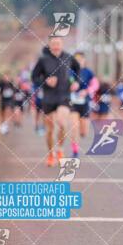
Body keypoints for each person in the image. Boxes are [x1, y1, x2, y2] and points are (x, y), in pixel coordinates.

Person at [31, 36, 80, 167]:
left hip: (64, 96)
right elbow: (34, 77)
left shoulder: (69, 57)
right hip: (48, 98)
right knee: (50, 130)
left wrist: (76, 82)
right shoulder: (43, 60)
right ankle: (50, 153)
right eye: (53, 43)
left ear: (62, 44)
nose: (56, 46)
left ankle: (60, 149)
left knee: (62, 123)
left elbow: (78, 70)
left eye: (58, 43)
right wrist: (45, 81)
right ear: (50, 45)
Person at [69, 52, 99, 158]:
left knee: (84, 131)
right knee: (74, 127)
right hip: (72, 103)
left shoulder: (88, 72)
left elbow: (96, 85)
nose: (79, 61)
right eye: (76, 59)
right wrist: (69, 87)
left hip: (85, 103)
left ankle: (82, 133)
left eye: (80, 59)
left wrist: (86, 91)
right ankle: (75, 151)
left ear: (84, 60)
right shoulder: (70, 72)